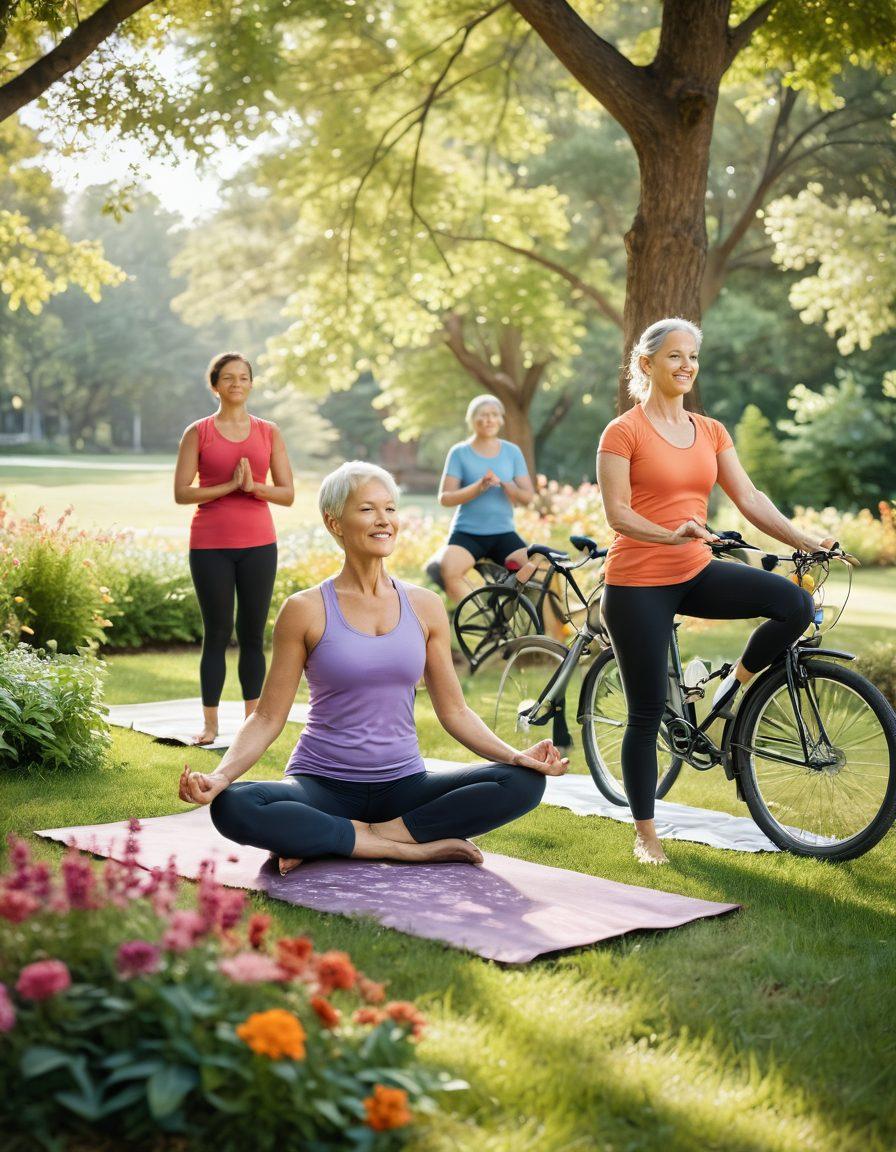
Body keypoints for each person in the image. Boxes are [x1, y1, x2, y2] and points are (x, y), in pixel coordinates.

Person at [178, 461, 567, 871]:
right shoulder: (305, 610)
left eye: (390, 509)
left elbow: (454, 711)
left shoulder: (425, 606)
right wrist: (221, 777)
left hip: (404, 786)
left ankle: (346, 837)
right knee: (235, 806)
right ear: (335, 523)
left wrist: (514, 756)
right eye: (367, 509)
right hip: (321, 784)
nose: (384, 521)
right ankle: (400, 845)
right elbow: (268, 716)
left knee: (522, 783)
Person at [596, 318, 835, 866]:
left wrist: (807, 540)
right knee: (646, 711)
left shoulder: (710, 431)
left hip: (696, 570)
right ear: (646, 364)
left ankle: (731, 687)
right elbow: (618, 514)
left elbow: (749, 496)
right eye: (675, 356)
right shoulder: (622, 432)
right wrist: (669, 532)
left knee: (793, 603)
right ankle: (646, 835)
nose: (686, 366)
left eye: (693, 357)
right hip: (636, 583)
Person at [174, 352, 294, 745]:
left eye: (243, 377)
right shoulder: (198, 432)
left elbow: (287, 493)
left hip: (259, 545)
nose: (237, 383)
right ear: (215, 385)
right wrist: (228, 487)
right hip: (210, 545)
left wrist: (254, 488)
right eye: (228, 378)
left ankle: (251, 724)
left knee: (253, 634)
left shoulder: (268, 432)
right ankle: (210, 725)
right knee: (217, 632)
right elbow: (181, 492)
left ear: (251, 384)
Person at [437, 395, 534, 603]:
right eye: (483, 415)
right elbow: (445, 498)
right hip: (467, 533)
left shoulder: (512, 452)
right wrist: (478, 487)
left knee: (533, 571)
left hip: (503, 532)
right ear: (472, 420)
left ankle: (507, 619)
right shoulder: (459, 453)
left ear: (501, 420)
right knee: (449, 570)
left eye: (493, 415)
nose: (488, 420)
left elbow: (528, 497)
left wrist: (509, 486)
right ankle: (483, 620)